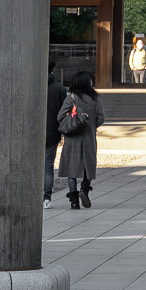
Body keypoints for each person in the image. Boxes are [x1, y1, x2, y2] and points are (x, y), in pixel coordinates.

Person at [57, 71, 102, 207]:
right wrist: (91, 125)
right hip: (89, 137)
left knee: (72, 168)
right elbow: (101, 118)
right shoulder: (96, 98)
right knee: (88, 165)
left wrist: (72, 122)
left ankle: (74, 200)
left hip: (72, 138)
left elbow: (60, 116)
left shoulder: (71, 98)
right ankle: (84, 189)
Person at [44, 66, 67, 203]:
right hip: (52, 131)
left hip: (32, 132)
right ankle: (47, 198)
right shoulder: (59, 88)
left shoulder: (31, 84)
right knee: (48, 166)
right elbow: (64, 111)